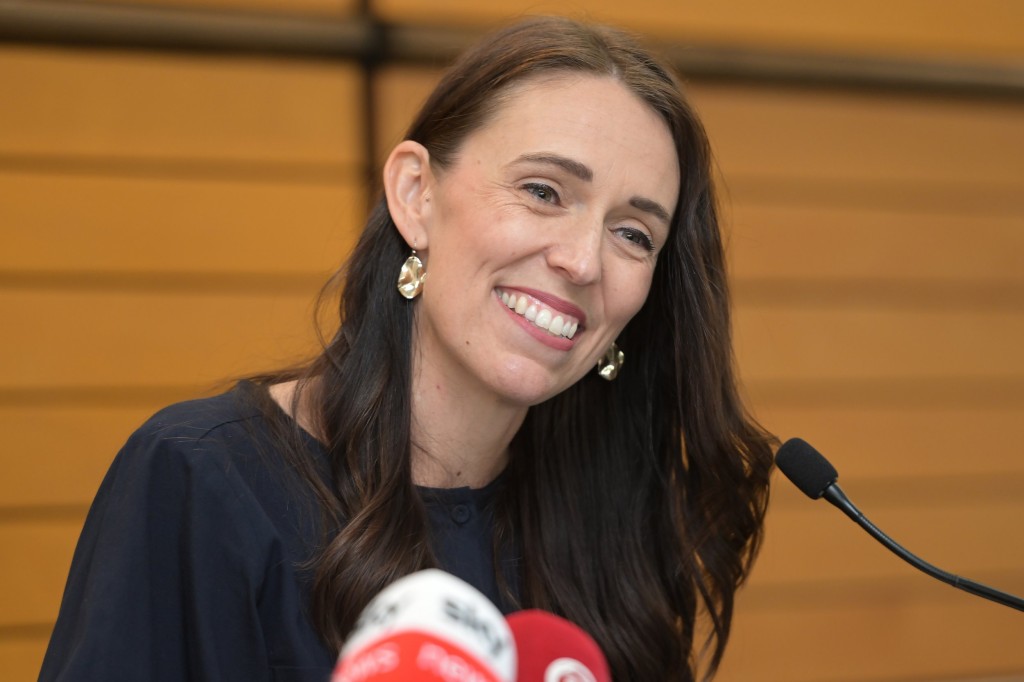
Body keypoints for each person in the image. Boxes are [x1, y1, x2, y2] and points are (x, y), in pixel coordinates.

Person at [39, 15, 774, 682]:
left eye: (633, 234)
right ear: (416, 194)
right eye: (544, 192)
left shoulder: (617, 524)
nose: (583, 261)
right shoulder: (201, 477)